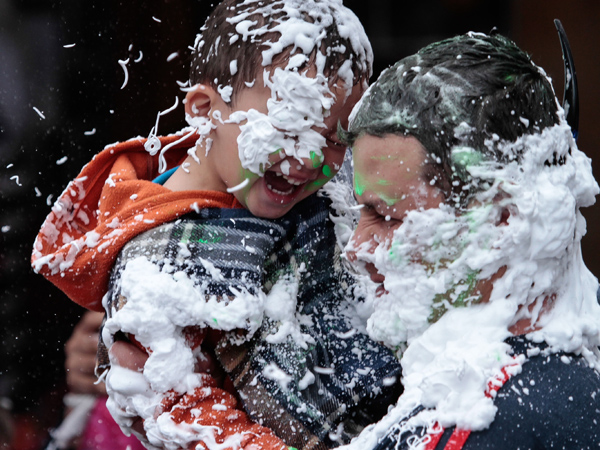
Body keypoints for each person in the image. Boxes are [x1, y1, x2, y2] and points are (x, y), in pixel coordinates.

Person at [32, 1, 401, 449]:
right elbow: (183, 413)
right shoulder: (158, 260)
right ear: (206, 109)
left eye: (334, 139)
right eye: (288, 127)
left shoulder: (320, 192)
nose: (310, 159)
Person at [339, 32, 600, 449]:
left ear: (503, 221)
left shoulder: (479, 418)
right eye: (360, 213)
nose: (356, 247)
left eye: (386, 217)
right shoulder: (571, 366)